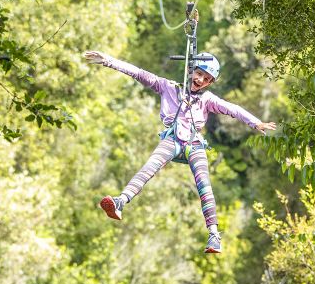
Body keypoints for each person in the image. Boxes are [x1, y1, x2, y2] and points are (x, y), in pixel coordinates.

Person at [84, 50, 276, 253]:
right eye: (199, 74)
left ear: (210, 83)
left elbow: (233, 109)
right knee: (150, 166)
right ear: (191, 70)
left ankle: (214, 235)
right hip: (172, 139)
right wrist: (109, 61)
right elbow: (138, 73)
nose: (201, 80)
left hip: (194, 143)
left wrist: (256, 123)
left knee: (204, 184)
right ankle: (120, 202)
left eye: (207, 79)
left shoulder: (207, 99)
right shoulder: (168, 87)